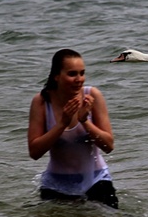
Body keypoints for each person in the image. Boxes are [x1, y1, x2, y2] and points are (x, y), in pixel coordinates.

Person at [27, 48, 118, 208]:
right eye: (72, 74)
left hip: (96, 180)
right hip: (56, 184)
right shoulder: (41, 101)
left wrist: (85, 121)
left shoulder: (93, 96)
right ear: (56, 76)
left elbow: (108, 146)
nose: (79, 79)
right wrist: (62, 124)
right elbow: (34, 152)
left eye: (82, 73)